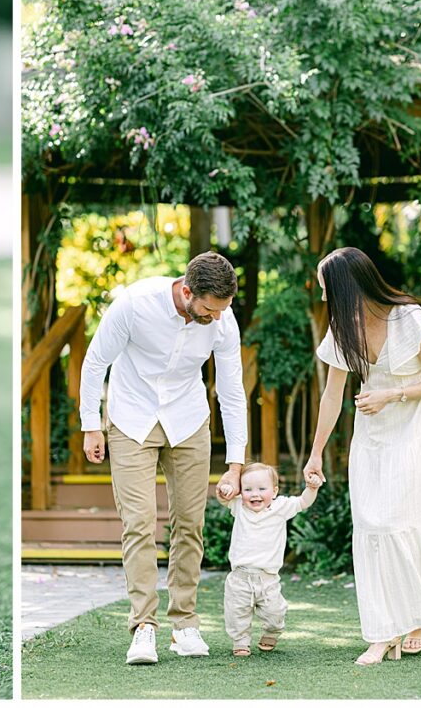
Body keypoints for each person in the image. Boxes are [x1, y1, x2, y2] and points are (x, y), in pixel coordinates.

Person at [304, 247, 421, 666]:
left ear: (347, 287)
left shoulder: (409, 318)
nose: (322, 299)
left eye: (325, 290)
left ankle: (419, 617)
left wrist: (392, 393)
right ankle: (384, 629)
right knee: (372, 525)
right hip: (373, 438)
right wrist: (315, 454)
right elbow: (332, 395)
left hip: (418, 431)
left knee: (399, 520)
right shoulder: (341, 327)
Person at [79, 251, 248, 665]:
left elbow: (231, 388)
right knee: (138, 523)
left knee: (190, 523)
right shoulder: (135, 305)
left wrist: (236, 461)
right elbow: (94, 361)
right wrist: (90, 425)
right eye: (209, 309)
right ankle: (143, 627)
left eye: (223, 309)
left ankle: (184, 623)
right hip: (131, 416)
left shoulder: (223, 320)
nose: (217, 317)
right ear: (187, 291)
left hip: (188, 419)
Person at [216, 463, 322, 657]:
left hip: (268, 577)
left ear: (274, 491)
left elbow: (303, 502)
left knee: (275, 612)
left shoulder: (281, 507)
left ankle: (271, 632)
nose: (254, 494)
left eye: (261, 489)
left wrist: (312, 487)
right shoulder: (239, 506)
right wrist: (225, 490)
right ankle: (240, 641)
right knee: (236, 613)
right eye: (248, 489)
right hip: (240, 576)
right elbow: (224, 499)